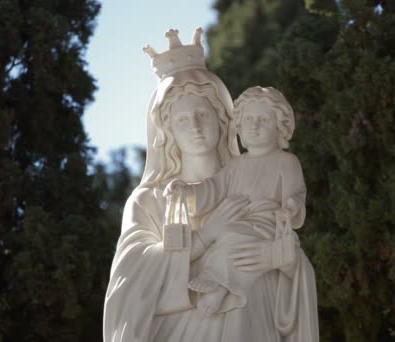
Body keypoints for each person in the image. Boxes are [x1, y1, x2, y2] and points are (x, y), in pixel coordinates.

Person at [103, 28, 319, 342]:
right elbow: (128, 290)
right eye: (181, 120)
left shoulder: (251, 178)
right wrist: (203, 238)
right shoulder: (149, 200)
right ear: (167, 134)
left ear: (222, 119)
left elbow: (291, 254)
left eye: (203, 113)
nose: (195, 126)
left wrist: (284, 262)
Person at [165, 86, 307, 316]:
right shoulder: (236, 165)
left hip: (267, 224)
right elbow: (214, 188)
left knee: (234, 238)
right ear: (239, 125)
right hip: (238, 223)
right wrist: (189, 193)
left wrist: (291, 207)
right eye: (248, 118)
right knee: (228, 237)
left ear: (280, 126)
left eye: (263, 119)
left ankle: (220, 287)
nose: (254, 125)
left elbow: (296, 195)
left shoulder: (286, 162)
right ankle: (218, 281)